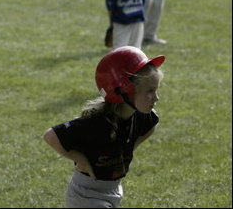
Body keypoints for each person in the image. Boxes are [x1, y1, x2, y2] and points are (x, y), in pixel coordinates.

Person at [43, 46, 165, 208]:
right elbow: (50, 136)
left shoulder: (144, 118)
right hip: (86, 194)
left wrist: (127, 148)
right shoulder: (97, 123)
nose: (156, 97)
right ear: (124, 90)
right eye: (150, 91)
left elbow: (151, 126)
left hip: (114, 190)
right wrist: (83, 161)